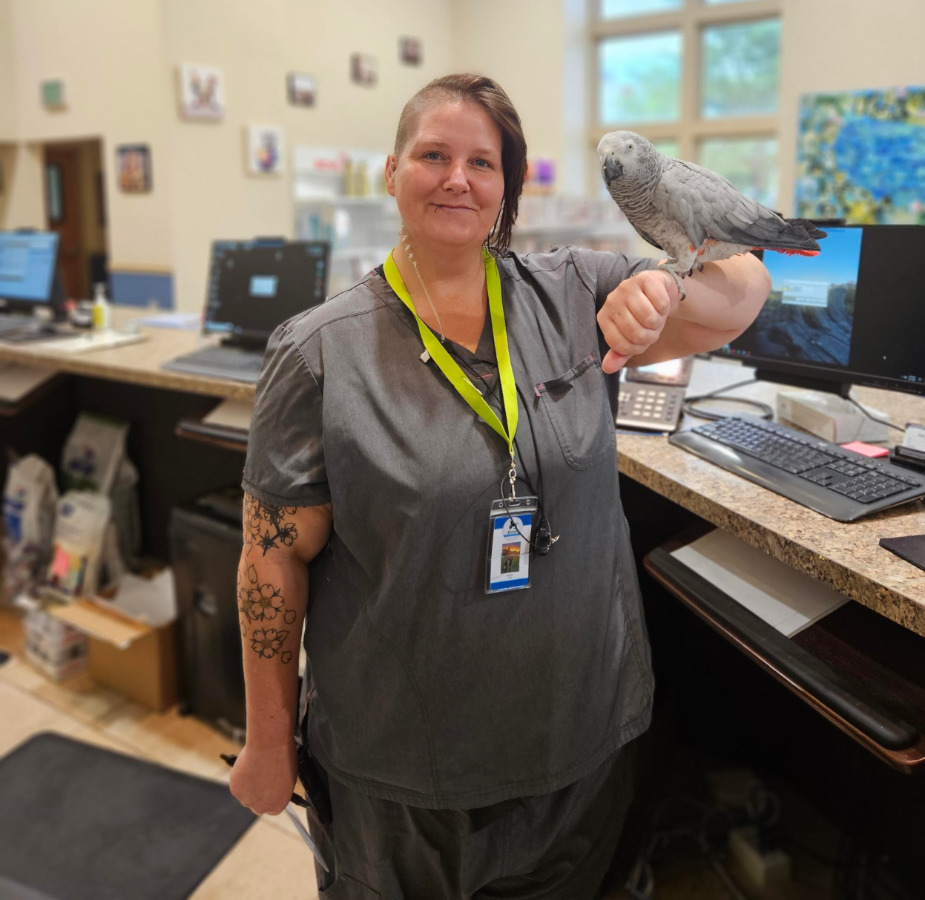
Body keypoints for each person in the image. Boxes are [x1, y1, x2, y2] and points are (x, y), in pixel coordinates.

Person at [231, 73, 771, 899]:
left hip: (578, 744)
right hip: (405, 776)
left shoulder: (574, 291)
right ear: (391, 171)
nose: (457, 178)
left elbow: (742, 296)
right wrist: (268, 743)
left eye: (482, 162)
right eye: (433, 154)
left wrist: (666, 285)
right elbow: (270, 561)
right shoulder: (318, 352)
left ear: (506, 187)